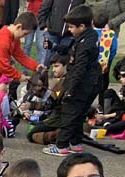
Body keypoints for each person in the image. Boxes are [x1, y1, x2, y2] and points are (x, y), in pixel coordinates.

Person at [43, 6, 101, 156]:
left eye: (71, 27)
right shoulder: (85, 37)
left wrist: (70, 89)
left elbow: (80, 67)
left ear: (82, 26)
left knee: (69, 113)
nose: (69, 30)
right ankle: (76, 142)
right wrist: (54, 47)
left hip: (82, 84)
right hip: (88, 82)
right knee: (79, 114)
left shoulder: (86, 43)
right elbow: (70, 50)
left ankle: (61, 145)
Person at [0, 12, 42, 130]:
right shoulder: (3, 40)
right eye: (25, 34)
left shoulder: (13, 38)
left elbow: (20, 56)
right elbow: (3, 66)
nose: (24, 37)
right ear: (18, 27)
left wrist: (36, 66)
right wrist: (18, 76)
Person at [94, 10, 118, 109]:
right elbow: (114, 49)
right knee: (103, 85)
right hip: (104, 64)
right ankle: (101, 105)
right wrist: (110, 60)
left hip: (91, 64)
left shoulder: (90, 33)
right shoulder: (110, 34)